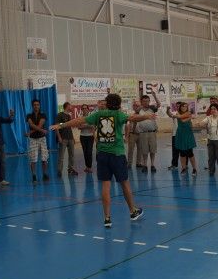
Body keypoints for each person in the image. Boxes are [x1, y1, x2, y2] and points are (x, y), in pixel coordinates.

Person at [50, 94, 153, 228]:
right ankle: (133, 211)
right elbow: (133, 118)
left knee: (106, 185)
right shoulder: (118, 114)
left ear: (108, 103)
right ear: (119, 104)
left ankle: (107, 218)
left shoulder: (98, 115)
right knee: (124, 184)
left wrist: (61, 125)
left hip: (102, 154)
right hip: (117, 154)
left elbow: (80, 120)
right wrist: (147, 116)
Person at [167, 102, 197, 177]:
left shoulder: (188, 113)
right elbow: (175, 116)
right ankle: (183, 168)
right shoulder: (178, 113)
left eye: (186, 106)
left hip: (188, 134)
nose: (184, 107)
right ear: (180, 107)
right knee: (182, 153)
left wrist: (190, 117)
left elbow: (182, 119)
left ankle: (194, 169)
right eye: (183, 106)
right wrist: (167, 110)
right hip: (180, 134)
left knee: (190, 153)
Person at [26, 99, 50, 183]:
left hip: (42, 139)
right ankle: (34, 175)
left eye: (37, 105)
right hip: (33, 139)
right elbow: (31, 125)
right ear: (32, 106)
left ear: (39, 106)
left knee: (44, 158)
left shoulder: (43, 115)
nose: (36, 106)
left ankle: (44, 174)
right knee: (33, 158)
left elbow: (39, 125)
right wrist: (42, 130)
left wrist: (30, 132)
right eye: (34, 105)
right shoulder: (29, 115)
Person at [137, 92, 160, 173]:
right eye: (144, 101)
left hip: (152, 132)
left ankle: (153, 165)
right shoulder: (139, 109)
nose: (146, 102)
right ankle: (145, 165)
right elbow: (135, 118)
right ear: (141, 101)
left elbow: (159, 105)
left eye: (147, 101)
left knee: (152, 149)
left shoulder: (152, 108)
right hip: (142, 133)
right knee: (144, 150)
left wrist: (154, 95)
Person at [56, 102, 78, 177]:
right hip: (63, 138)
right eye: (70, 106)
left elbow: (69, 127)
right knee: (61, 155)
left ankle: (70, 169)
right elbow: (57, 126)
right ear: (67, 106)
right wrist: (59, 137)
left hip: (70, 138)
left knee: (71, 154)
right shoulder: (60, 115)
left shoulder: (69, 116)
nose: (71, 107)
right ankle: (59, 170)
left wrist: (73, 138)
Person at [125, 100, 142, 169]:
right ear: (133, 107)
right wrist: (127, 135)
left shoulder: (143, 114)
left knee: (140, 149)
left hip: (141, 133)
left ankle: (138, 163)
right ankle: (129, 163)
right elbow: (128, 126)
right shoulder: (131, 114)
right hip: (132, 134)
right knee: (131, 149)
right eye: (135, 105)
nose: (136, 107)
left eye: (138, 106)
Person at [78, 104, 95, 173]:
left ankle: (89, 167)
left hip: (90, 136)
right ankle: (87, 167)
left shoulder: (91, 117)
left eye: (85, 108)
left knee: (89, 152)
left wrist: (84, 126)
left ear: (88, 109)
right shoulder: (80, 117)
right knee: (85, 152)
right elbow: (79, 127)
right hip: (82, 136)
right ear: (81, 110)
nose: (84, 110)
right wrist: (88, 125)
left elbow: (93, 126)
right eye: (83, 108)